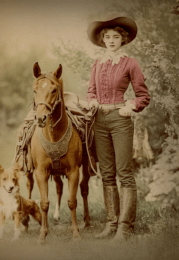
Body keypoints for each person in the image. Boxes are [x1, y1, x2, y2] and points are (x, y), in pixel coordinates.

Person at [87, 15, 150, 241]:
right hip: (99, 121)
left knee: (125, 173)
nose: (111, 40)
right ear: (103, 40)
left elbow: (143, 96)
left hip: (120, 119)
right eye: (107, 37)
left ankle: (125, 227)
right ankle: (111, 224)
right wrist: (93, 100)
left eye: (116, 37)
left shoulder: (130, 63)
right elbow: (91, 91)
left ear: (123, 39)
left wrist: (130, 106)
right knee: (107, 174)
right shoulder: (97, 63)